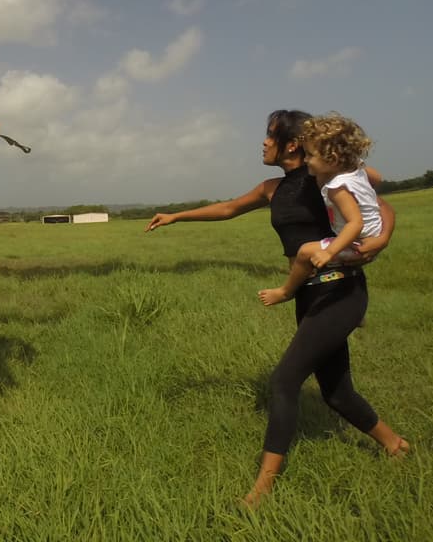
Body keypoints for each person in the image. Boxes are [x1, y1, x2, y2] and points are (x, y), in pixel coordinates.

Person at [145, 109, 408, 507]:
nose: (264, 142)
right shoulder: (272, 188)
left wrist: (382, 239)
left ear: (292, 144)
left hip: (340, 289)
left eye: (271, 135)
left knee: (284, 381)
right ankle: (396, 446)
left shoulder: (324, 177)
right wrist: (176, 216)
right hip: (309, 294)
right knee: (337, 393)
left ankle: (263, 489)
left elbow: (381, 207)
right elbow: (229, 208)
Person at [258, 113, 384, 306]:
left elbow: (361, 218)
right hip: (328, 277)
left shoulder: (336, 185)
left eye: (310, 154)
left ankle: (285, 292)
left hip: (349, 258)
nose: (306, 159)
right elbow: (228, 209)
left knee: (305, 251)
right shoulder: (347, 173)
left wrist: (330, 252)